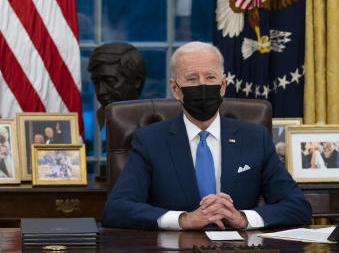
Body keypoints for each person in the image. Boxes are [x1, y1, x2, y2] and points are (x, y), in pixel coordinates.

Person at [102, 41, 311, 231]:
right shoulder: (150, 141)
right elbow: (117, 209)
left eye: (210, 77)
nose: (203, 85)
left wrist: (243, 218)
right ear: (175, 89)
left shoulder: (255, 138)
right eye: (192, 79)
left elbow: (298, 206)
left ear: (222, 85)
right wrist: (183, 220)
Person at [88, 42, 147, 128]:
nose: (101, 91)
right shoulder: (97, 119)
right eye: (96, 83)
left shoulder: (154, 121)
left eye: (110, 81)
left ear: (136, 81)